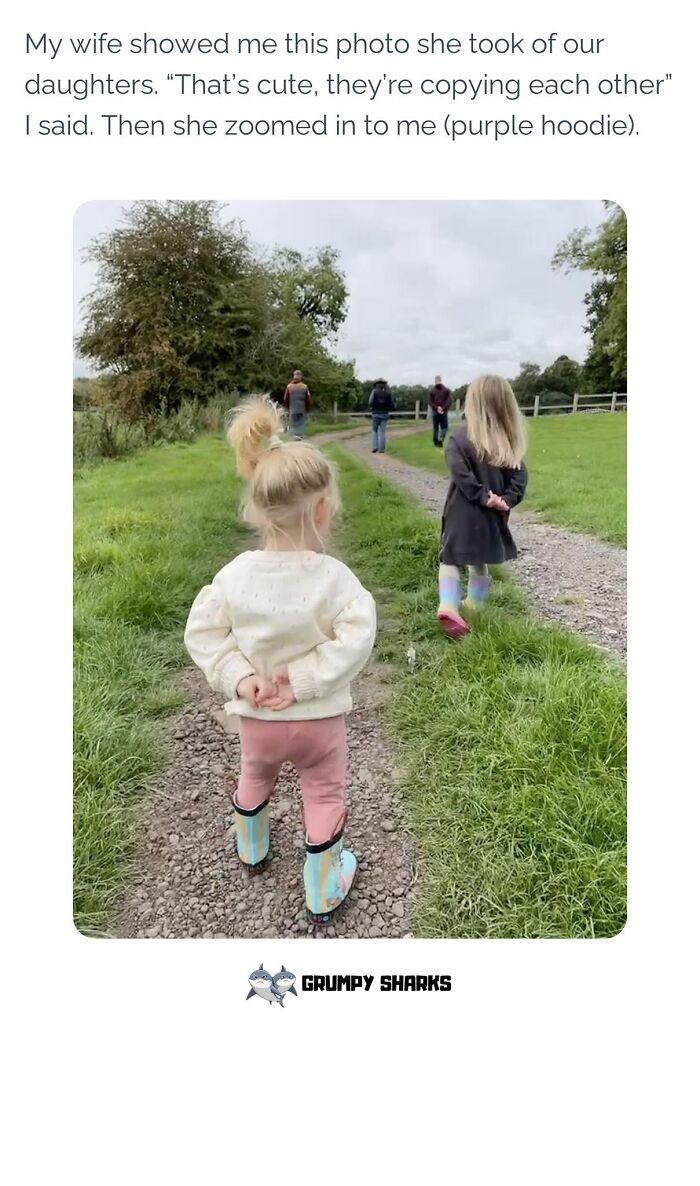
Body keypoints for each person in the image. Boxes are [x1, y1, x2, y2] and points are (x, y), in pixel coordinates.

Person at [184, 396, 377, 924]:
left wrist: (240, 678)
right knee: (322, 792)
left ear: (255, 509)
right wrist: (310, 679)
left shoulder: (234, 576)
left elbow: (202, 633)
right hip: (318, 723)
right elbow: (359, 633)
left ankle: (252, 849)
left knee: (255, 776)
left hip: (259, 721)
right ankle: (323, 888)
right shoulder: (334, 578)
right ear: (321, 509)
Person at [437, 374, 528, 639]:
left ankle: (449, 606)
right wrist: (505, 500)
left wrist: (481, 495)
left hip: (460, 516)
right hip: (491, 518)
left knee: (450, 559)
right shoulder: (509, 443)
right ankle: (474, 605)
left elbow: (459, 473)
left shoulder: (460, 439)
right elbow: (521, 478)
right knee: (479, 561)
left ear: (472, 405)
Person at [368, 378, 394, 453]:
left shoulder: (374, 392)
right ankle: (381, 449)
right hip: (385, 414)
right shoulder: (388, 393)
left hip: (375, 413)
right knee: (382, 432)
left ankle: (375, 447)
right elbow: (392, 404)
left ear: (376, 385)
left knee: (374, 431)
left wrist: (372, 408)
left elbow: (370, 402)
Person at [283, 369, 312, 437]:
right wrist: (308, 409)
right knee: (300, 425)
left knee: (293, 425)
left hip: (292, 409)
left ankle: (293, 437)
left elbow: (285, 399)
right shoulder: (304, 386)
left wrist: (287, 407)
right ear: (300, 376)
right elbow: (308, 400)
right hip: (302, 409)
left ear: (294, 376)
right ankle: (300, 437)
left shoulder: (289, 386)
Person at [429, 375, 452, 448]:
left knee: (436, 428)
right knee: (444, 427)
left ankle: (436, 442)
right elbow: (449, 401)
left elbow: (430, 402)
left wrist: (437, 408)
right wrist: (443, 408)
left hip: (436, 411)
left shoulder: (432, 391)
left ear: (435, 381)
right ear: (441, 380)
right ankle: (440, 440)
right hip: (443, 411)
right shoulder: (446, 390)